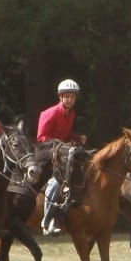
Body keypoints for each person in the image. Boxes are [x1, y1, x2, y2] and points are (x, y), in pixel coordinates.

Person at [37, 79, 87, 235]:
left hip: (63, 154)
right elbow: (41, 137)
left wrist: (77, 137)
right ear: (60, 97)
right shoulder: (50, 113)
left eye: (72, 97)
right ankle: (47, 219)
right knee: (56, 182)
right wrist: (59, 145)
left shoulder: (71, 114)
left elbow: (66, 134)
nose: (70, 100)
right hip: (47, 153)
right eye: (67, 96)